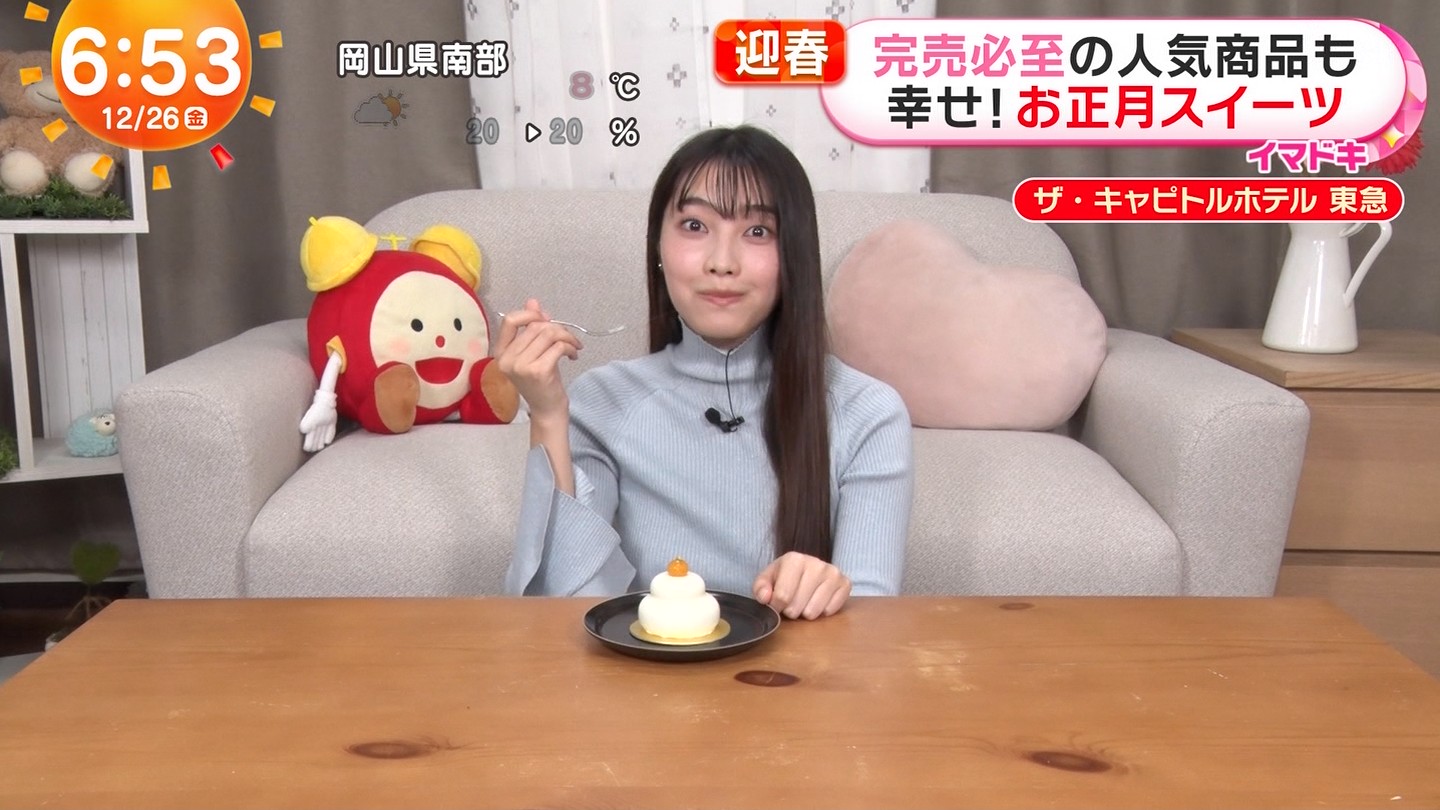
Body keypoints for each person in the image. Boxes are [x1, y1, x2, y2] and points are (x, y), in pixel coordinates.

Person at [497, 125, 912, 620]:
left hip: (803, 669)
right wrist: (547, 416)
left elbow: (872, 631)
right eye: (695, 226)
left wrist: (826, 589)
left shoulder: (868, 412)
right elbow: (559, 610)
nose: (722, 262)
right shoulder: (603, 401)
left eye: (757, 232)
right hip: (646, 666)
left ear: (794, 255)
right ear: (658, 248)